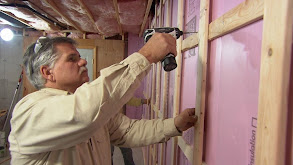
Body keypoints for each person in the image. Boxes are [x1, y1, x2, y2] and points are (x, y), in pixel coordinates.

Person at [8, 34, 197, 165]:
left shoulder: (89, 107)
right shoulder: (29, 111)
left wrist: (175, 125)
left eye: (80, 57)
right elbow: (83, 113)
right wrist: (145, 56)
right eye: (72, 59)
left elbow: (128, 131)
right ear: (47, 72)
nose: (83, 62)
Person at [111, 97, 149, 165]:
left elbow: (128, 99)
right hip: (106, 131)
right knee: (108, 154)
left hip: (119, 128)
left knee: (126, 151)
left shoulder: (117, 94)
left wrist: (142, 101)